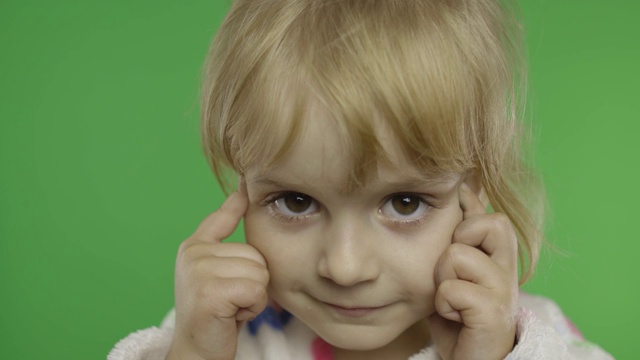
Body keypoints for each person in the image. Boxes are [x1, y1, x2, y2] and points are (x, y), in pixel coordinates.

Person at [109, 0, 613, 359]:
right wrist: (194, 353)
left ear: (474, 187)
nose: (345, 268)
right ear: (243, 182)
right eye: (297, 201)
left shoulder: (530, 339)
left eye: (405, 203)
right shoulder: (220, 335)